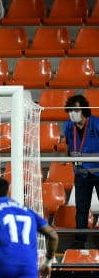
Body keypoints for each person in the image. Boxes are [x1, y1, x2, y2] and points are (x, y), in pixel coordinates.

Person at [63, 94, 99, 249]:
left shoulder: (96, 123)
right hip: (81, 174)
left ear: (83, 110)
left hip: (98, 173)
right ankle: (80, 241)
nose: (73, 113)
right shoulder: (68, 126)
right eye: (70, 110)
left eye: (76, 109)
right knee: (81, 209)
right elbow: (68, 146)